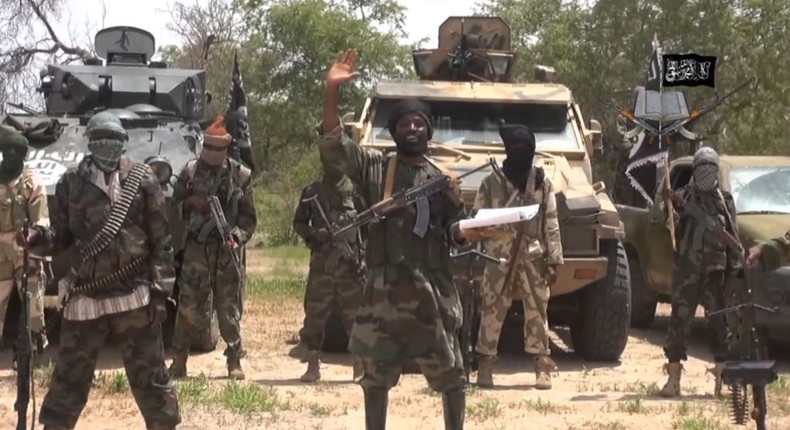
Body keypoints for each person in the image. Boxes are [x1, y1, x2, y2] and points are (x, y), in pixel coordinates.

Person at [318, 48, 473, 430]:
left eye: (419, 123)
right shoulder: (375, 168)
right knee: (375, 377)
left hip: (431, 294)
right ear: (395, 131)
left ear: (428, 130)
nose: (413, 129)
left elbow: (456, 230)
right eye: (405, 124)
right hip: (383, 293)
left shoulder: (443, 179)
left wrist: (468, 230)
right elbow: (335, 147)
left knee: (451, 377)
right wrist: (331, 93)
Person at [18, 111, 180, 430]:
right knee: (69, 378)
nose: (108, 146)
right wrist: (38, 238)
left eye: (114, 140)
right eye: (101, 141)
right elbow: (61, 236)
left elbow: (162, 240)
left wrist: (161, 293)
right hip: (86, 295)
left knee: (151, 377)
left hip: (133, 293)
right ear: (90, 144)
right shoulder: (70, 183)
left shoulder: (143, 179)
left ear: (123, 142)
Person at [470, 124, 562, 390]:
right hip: (498, 258)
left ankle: (542, 366)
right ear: (507, 150)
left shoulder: (541, 183)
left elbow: (551, 223)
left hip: (533, 257)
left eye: (525, 148)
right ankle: (485, 365)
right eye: (515, 147)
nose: (520, 152)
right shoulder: (491, 182)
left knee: (537, 313)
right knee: (491, 310)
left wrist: (554, 260)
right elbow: (477, 219)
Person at [168, 115, 256, 380]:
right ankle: (179, 360)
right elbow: (175, 207)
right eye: (210, 148)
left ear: (226, 148)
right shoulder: (190, 172)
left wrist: (236, 237)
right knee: (187, 306)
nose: (214, 153)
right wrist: (192, 203)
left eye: (220, 149)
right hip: (197, 249)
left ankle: (234, 360)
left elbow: (249, 219)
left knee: (227, 307)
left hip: (226, 251)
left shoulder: (240, 176)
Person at [658, 146, 741, 398]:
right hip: (687, 272)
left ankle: (722, 380)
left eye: (710, 168)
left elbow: (734, 238)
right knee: (679, 323)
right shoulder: (683, 197)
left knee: (719, 323)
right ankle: (673, 380)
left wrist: (734, 273)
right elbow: (670, 223)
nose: (706, 172)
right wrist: (668, 203)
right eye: (702, 167)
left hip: (715, 273)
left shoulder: (724, 202)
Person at [291, 167, 365, 383]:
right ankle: (313, 364)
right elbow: (299, 223)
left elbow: (368, 227)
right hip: (322, 266)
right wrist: (315, 234)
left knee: (355, 316)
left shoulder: (357, 193)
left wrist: (364, 259)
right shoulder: (312, 192)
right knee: (315, 317)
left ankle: (359, 364)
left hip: (350, 266)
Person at [0, 128, 48, 366]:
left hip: (24, 252)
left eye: (17, 152)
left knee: (33, 305)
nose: (12, 157)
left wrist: (33, 235)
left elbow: (41, 220)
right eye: (8, 151)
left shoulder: (31, 182)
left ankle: (33, 352)